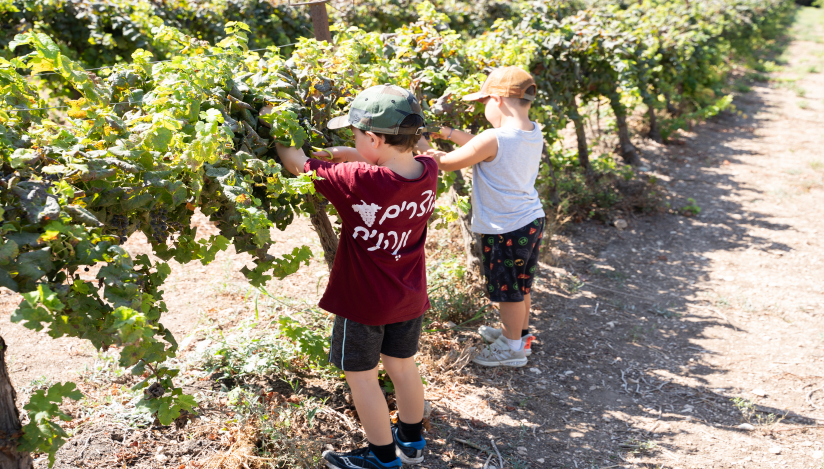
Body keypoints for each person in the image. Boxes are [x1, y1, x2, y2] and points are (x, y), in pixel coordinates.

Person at [276, 84, 437, 469]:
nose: (351, 140)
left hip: (363, 301)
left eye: (355, 134)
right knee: (402, 365)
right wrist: (340, 154)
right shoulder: (426, 169)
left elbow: (295, 163)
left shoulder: (357, 180)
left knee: (361, 376)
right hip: (409, 294)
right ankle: (412, 444)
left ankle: (382, 459)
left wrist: (278, 126)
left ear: (375, 138)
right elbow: (372, 162)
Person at [417, 66, 545, 368]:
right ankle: (518, 338)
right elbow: (483, 144)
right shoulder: (531, 130)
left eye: (484, 101)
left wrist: (420, 142)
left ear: (497, 100)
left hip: (505, 228)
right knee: (521, 285)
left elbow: (445, 163)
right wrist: (447, 132)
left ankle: (511, 350)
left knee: (508, 292)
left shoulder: (494, 138)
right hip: (529, 220)